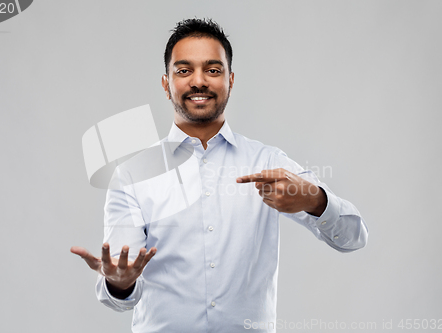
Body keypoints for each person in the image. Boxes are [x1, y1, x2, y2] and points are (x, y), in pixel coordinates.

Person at [71, 18, 368, 332]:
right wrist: (120, 284)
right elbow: (122, 297)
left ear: (231, 79)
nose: (199, 81)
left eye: (213, 70)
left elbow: (353, 237)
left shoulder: (267, 162)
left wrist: (314, 199)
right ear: (166, 83)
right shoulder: (132, 176)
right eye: (184, 71)